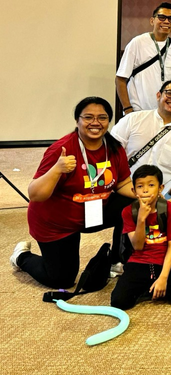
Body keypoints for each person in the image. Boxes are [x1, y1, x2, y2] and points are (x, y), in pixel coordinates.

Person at [11, 97, 136, 288]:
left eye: (102, 118)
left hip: (92, 211)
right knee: (61, 280)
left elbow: (122, 183)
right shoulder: (61, 150)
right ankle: (21, 257)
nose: (95, 123)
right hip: (58, 223)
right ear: (77, 120)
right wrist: (57, 169)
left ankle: (117, 261)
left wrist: (145, 195)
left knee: (135, 206)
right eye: (88, 117)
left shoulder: (114, 147)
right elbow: (35, 195)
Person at [110, 80, 171, 222]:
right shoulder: (133, 119)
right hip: (128, 183)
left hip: (163, 187)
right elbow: (111, 150)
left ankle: (169, 243)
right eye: (169, 93)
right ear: (158, 95)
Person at [110, 165, 171, 309]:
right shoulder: (128, 212)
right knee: (119, 302)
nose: (146, 190)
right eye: (140, 186)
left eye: (151, 185)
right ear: (133, 190)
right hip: (140, 260)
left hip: (167, 261)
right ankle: (150, 286)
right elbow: (137, 246)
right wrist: (141, 219)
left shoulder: (169, 208)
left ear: (160, 188)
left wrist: (163, 278)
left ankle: (154, 284)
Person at [116, 2, 171, 113]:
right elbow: (120, 79)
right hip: (138, 109)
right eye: (162, 17)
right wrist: (128, 108)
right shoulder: (137, 42)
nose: (167, 21)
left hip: (165, 111)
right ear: (152, 20)